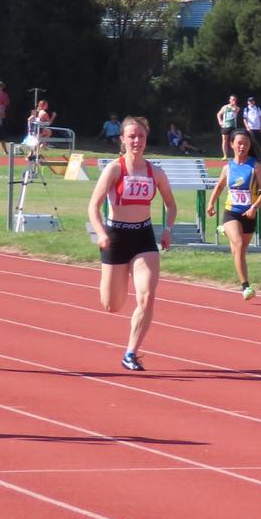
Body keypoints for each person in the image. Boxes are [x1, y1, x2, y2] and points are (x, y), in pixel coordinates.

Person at [87, 116, 176, 371]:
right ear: (123, 140)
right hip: (116, 237)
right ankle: (114, 281)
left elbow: (170, 204)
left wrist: (168, 229)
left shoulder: (155, 172)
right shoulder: (115, 169)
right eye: (132, 136)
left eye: (141, 136)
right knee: (112, 305)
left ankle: (131, 352)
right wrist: (101, 233)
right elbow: (93, 206)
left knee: (147, 296)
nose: (137, 141)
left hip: (143, 237)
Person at [207, 128, 261, 300]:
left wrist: (254, 207)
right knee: (239, 244)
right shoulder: (227, 168)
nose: (242, 147)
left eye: (246, 144)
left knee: (239, 252)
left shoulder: (255, 167)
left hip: (249, 214)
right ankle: (246, 287)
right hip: (231, 213)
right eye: (239, 143)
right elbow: (219, 186)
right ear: (231, 144)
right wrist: (211, 203)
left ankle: (224, 230)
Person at [216, 95, 242, 160]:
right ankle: (225, 155)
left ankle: (235, 155)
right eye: (232, 99)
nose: (234, 101)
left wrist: (233, 106)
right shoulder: (225, 107)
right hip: (225, 126)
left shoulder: (237, 108)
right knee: (224, 140)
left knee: (234, 141)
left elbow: (236, 110)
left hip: (233, 127)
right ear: (229, 100)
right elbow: (219, 114)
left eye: (235, 100)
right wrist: (220, 122)